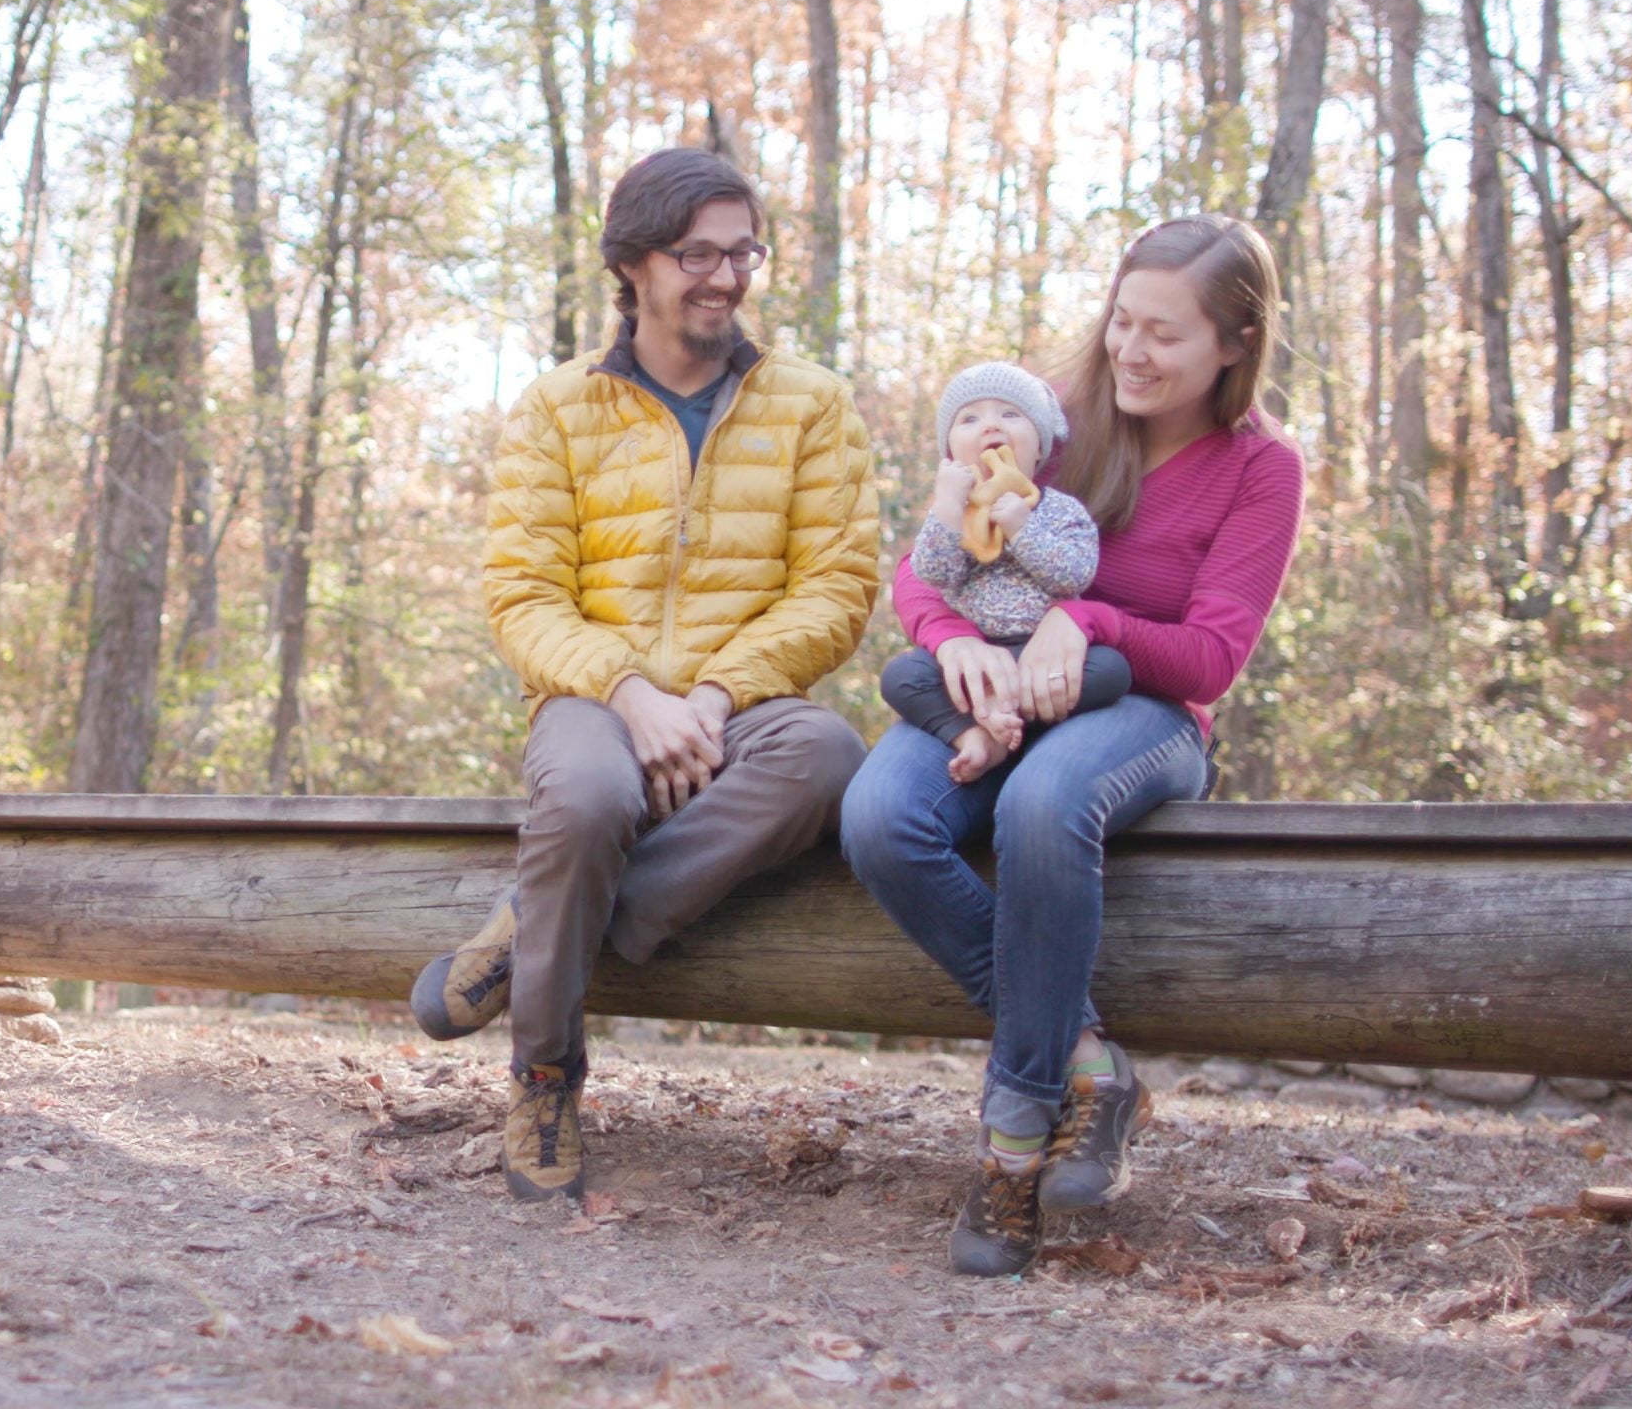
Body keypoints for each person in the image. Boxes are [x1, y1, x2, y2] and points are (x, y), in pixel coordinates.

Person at [410, 147, 881, 1204]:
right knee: (583, 797)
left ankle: (536, 928)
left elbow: (837, 591)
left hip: (745, 707)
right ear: (633, 265)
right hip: (592, 697)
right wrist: (632, 695)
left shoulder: (812, 407)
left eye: (742, 251)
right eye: (696, 254)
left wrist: (708, 701)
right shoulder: (556, 409)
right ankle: (542, 1080)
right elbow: (524, 598)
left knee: (829, 755)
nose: (725, 276)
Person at [840, 215, 1304, 1275]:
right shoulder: (1052, 417)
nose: (1130, 353)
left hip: (1143, 709)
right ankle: (1089, 1061)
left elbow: (1210, 660)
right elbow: (928, 557)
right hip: (995, 682)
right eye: (1120, 323)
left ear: (1235, 343)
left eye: (1165, 336)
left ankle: (1011, 1135)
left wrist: (1087, 620)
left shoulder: (1260, 468)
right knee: (878, 816)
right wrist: (952, 641)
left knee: (1041, 806)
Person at [880, 362, 1133, 783]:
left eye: (1010, 415)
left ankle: (1010, 711)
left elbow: (1073, 576)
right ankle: (976, 737)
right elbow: (932, 572)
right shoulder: (955, 514)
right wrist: (946, 509)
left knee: (1112, 671)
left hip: (1043, 656)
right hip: (974, 656)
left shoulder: (1059, 510)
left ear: (1040, 449)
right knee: (901, 677)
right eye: (970, 419)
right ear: (951, 453)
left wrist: (1022, 528)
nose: (990, 426)